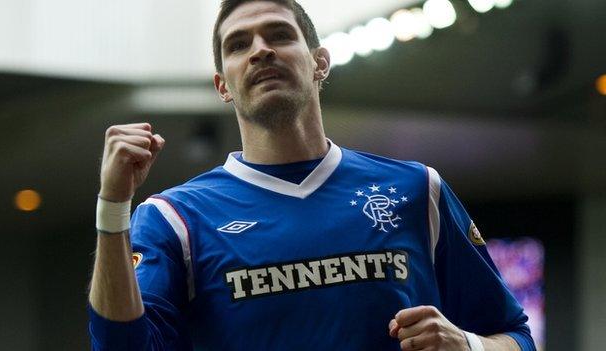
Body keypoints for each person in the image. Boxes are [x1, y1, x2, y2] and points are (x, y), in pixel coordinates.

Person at [88, 0, 536, 350]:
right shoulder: (174, 219)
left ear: (320, 62)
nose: (260, 49)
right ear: (222, 85)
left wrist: (468, 345)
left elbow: (516, 336)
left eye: (279, 35)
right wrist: (112, 207)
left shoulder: (419, 190)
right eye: (239, 44)